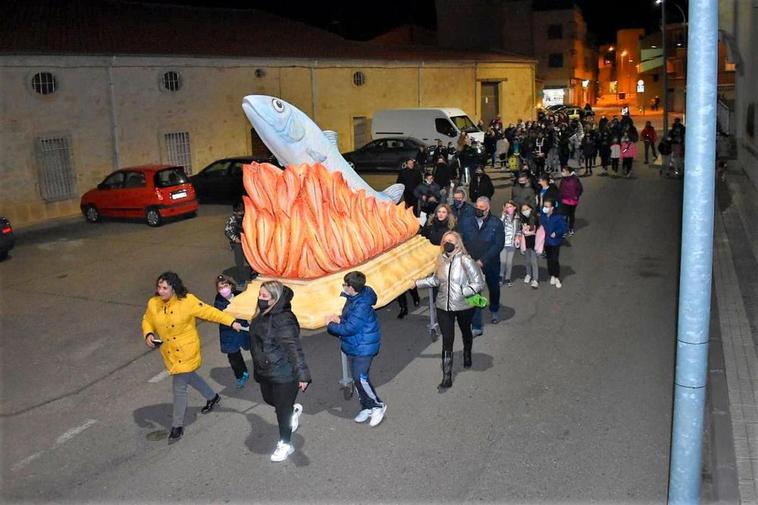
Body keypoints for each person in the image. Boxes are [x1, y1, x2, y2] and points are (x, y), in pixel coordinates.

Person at [142, 272, 243, 443]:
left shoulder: (187, 301)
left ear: (174, 288)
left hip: (186, 352)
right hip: (170, 353)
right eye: (159, 287)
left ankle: (176, 425)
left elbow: (209, 312)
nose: (161, 291)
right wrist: (149, 334)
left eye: (165, 288)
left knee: (179, 388)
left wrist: (231, 321)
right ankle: (213, 397)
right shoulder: (153, 303)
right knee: (189, 377)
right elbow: (147, 320)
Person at [250, 281, 311, 462]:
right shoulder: (260, 314)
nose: (260, 299)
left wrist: (303, 375)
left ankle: (286, 443)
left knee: (281, 412)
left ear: (275, 299)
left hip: (284, 373)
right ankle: (291, 411)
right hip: (265, 370)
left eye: (264, 297)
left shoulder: (283, 319)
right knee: (270, 400)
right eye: (260, 295)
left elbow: (293, 348)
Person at [416, 231, 484, 388]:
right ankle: (447, 376)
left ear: (458, 243)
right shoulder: (440, 259)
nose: (448, 243)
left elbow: (479, 282)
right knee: (447, 340)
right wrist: (417, 283)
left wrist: (464, 292)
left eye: (451, 240)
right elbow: (435, 279)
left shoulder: (466, 261)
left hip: (464, 306)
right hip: (443, 306)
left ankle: (467, 352)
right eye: (445, 240)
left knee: (465, 330)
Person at [326, 271, 387, 426]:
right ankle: (366, 407)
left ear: (351, 287)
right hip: (355, 344)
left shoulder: (361, 305)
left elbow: (349, 329)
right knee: (357, 378)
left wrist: (331, 325)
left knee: (360, 378)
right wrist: (339, 319)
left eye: (345, 284)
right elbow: (349, 320)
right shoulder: (355, 297)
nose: (343, 287)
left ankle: (378, 406)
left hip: (363, 346)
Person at [459, 196, 505, 334]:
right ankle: (477, 326)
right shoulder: (466, 222)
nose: (478, 210)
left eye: (482, 208)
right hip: (471, 264)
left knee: (494, 288)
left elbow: (498, 245)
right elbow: (460, 239)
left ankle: (495, 309)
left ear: (488, 208)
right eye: (477, 207)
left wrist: (482, 260)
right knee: (474, 292)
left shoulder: (496, 223)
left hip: (490, 264)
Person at [213, 275, 252, 389]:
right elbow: (221, 316)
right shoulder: (219, 302)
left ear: (230, 285)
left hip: (244, 329)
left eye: (225, 286)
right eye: (220, 288)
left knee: (254, 347)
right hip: (229, 332)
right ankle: (241, 374)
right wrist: (232, 322)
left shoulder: (240, 295)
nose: (223, 289)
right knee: (233, 356)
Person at [540, 198, 568, 288]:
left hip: (555, 242)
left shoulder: (558, 217)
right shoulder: (543, 216)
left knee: (555, 259)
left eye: (547, 206)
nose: (545, 208)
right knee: (549, 259)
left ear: (552, 208)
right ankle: (552, 274)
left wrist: (556, 233)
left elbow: (564, 228)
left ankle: (557, 277)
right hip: (546, 242)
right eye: (544, 206)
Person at [225, 202, 253, 288]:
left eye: (240, 212)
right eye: (236, 212)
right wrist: (234, 238)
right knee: (239, 262)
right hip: (238, 244)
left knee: (252, 261)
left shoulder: (248, 217)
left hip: (249, 243)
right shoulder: (232, 219)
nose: (238, 214)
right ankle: (241, 279)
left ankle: (254, 275)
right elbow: (227, 231)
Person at [519, 202, 541, 288]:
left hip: (534, 243)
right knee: (527, 260)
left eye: (526, 209)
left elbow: (536, 231)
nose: (525, 211)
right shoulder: (522, 219)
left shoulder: (535, 218)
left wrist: (527, 231)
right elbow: (522, 232)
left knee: (534, 261)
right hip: (526, 243)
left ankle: (535, 279)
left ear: (530, 209)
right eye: (523, 210)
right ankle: (528, 274)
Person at [499, 200, 520, 287]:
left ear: (514, 207)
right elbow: (499, 225)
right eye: (507, 207)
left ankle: (508, 278)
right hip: (503, 242)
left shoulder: (517, 218)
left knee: (509, 262)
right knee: (503, 261)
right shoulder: (504, 217)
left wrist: (518, 237)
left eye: (510, 206)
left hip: (512, 242)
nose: (509, 208)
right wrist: (503, 215)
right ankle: (500, 277)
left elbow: (519, 230)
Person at [558, 167, 583, 236]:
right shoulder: (563, 179)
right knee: (564, 216)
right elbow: (560, 188)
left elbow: (580, 189)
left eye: (564, 171)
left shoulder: (575, 179)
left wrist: (576, 196)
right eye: (562, 171)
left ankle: (571, 228)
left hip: (573, 201)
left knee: (571, 215)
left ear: (568, 172)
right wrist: (560, 197)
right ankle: (564, 229)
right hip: (564, 200)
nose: (562, 173)